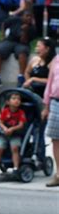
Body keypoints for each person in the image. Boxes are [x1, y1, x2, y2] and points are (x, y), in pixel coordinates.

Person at [0, 10, 36, 89]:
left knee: (22, 53)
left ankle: (21, 78)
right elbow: (4, 24)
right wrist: (3, 36)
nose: (29, 18)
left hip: (22, 44)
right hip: (10, 40)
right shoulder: (15, 20)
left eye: (31, 17)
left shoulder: (32, 28)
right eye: (27, 16)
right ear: (22, 17)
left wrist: (25, 30)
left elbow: (23, 40)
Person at [0, 92, 27, 179]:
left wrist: (12, 129)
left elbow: (21, 125)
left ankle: (16, 168)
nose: (16, 100)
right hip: (4, 134)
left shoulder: (21, 112)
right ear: (8, 102)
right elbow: (1, 122)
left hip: (15, 134)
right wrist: (5, 128)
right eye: (14, 98)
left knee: (15, 148)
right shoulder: (5, 111)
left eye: (18, 99)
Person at [43, 55, 59, 187]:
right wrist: (46, 106)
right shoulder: (56, 59)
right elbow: (50, 82)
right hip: (56, 102)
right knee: (55, 139)